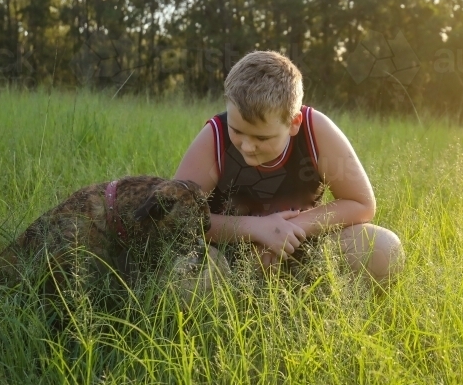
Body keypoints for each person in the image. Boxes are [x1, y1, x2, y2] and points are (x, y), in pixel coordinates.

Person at [173, 50, 405, 291]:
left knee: (383, 248)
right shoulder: (216, 136)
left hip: (301, 249)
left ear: (294, 123)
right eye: (237, 131)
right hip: (227, 255)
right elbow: (176, 215)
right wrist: (256, 229)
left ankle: (311, 301)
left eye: (262, 137)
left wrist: (287, 231)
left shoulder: (316, 131)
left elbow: (361, 204)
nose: (247, 146)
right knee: (185, 273)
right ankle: (230, 307)